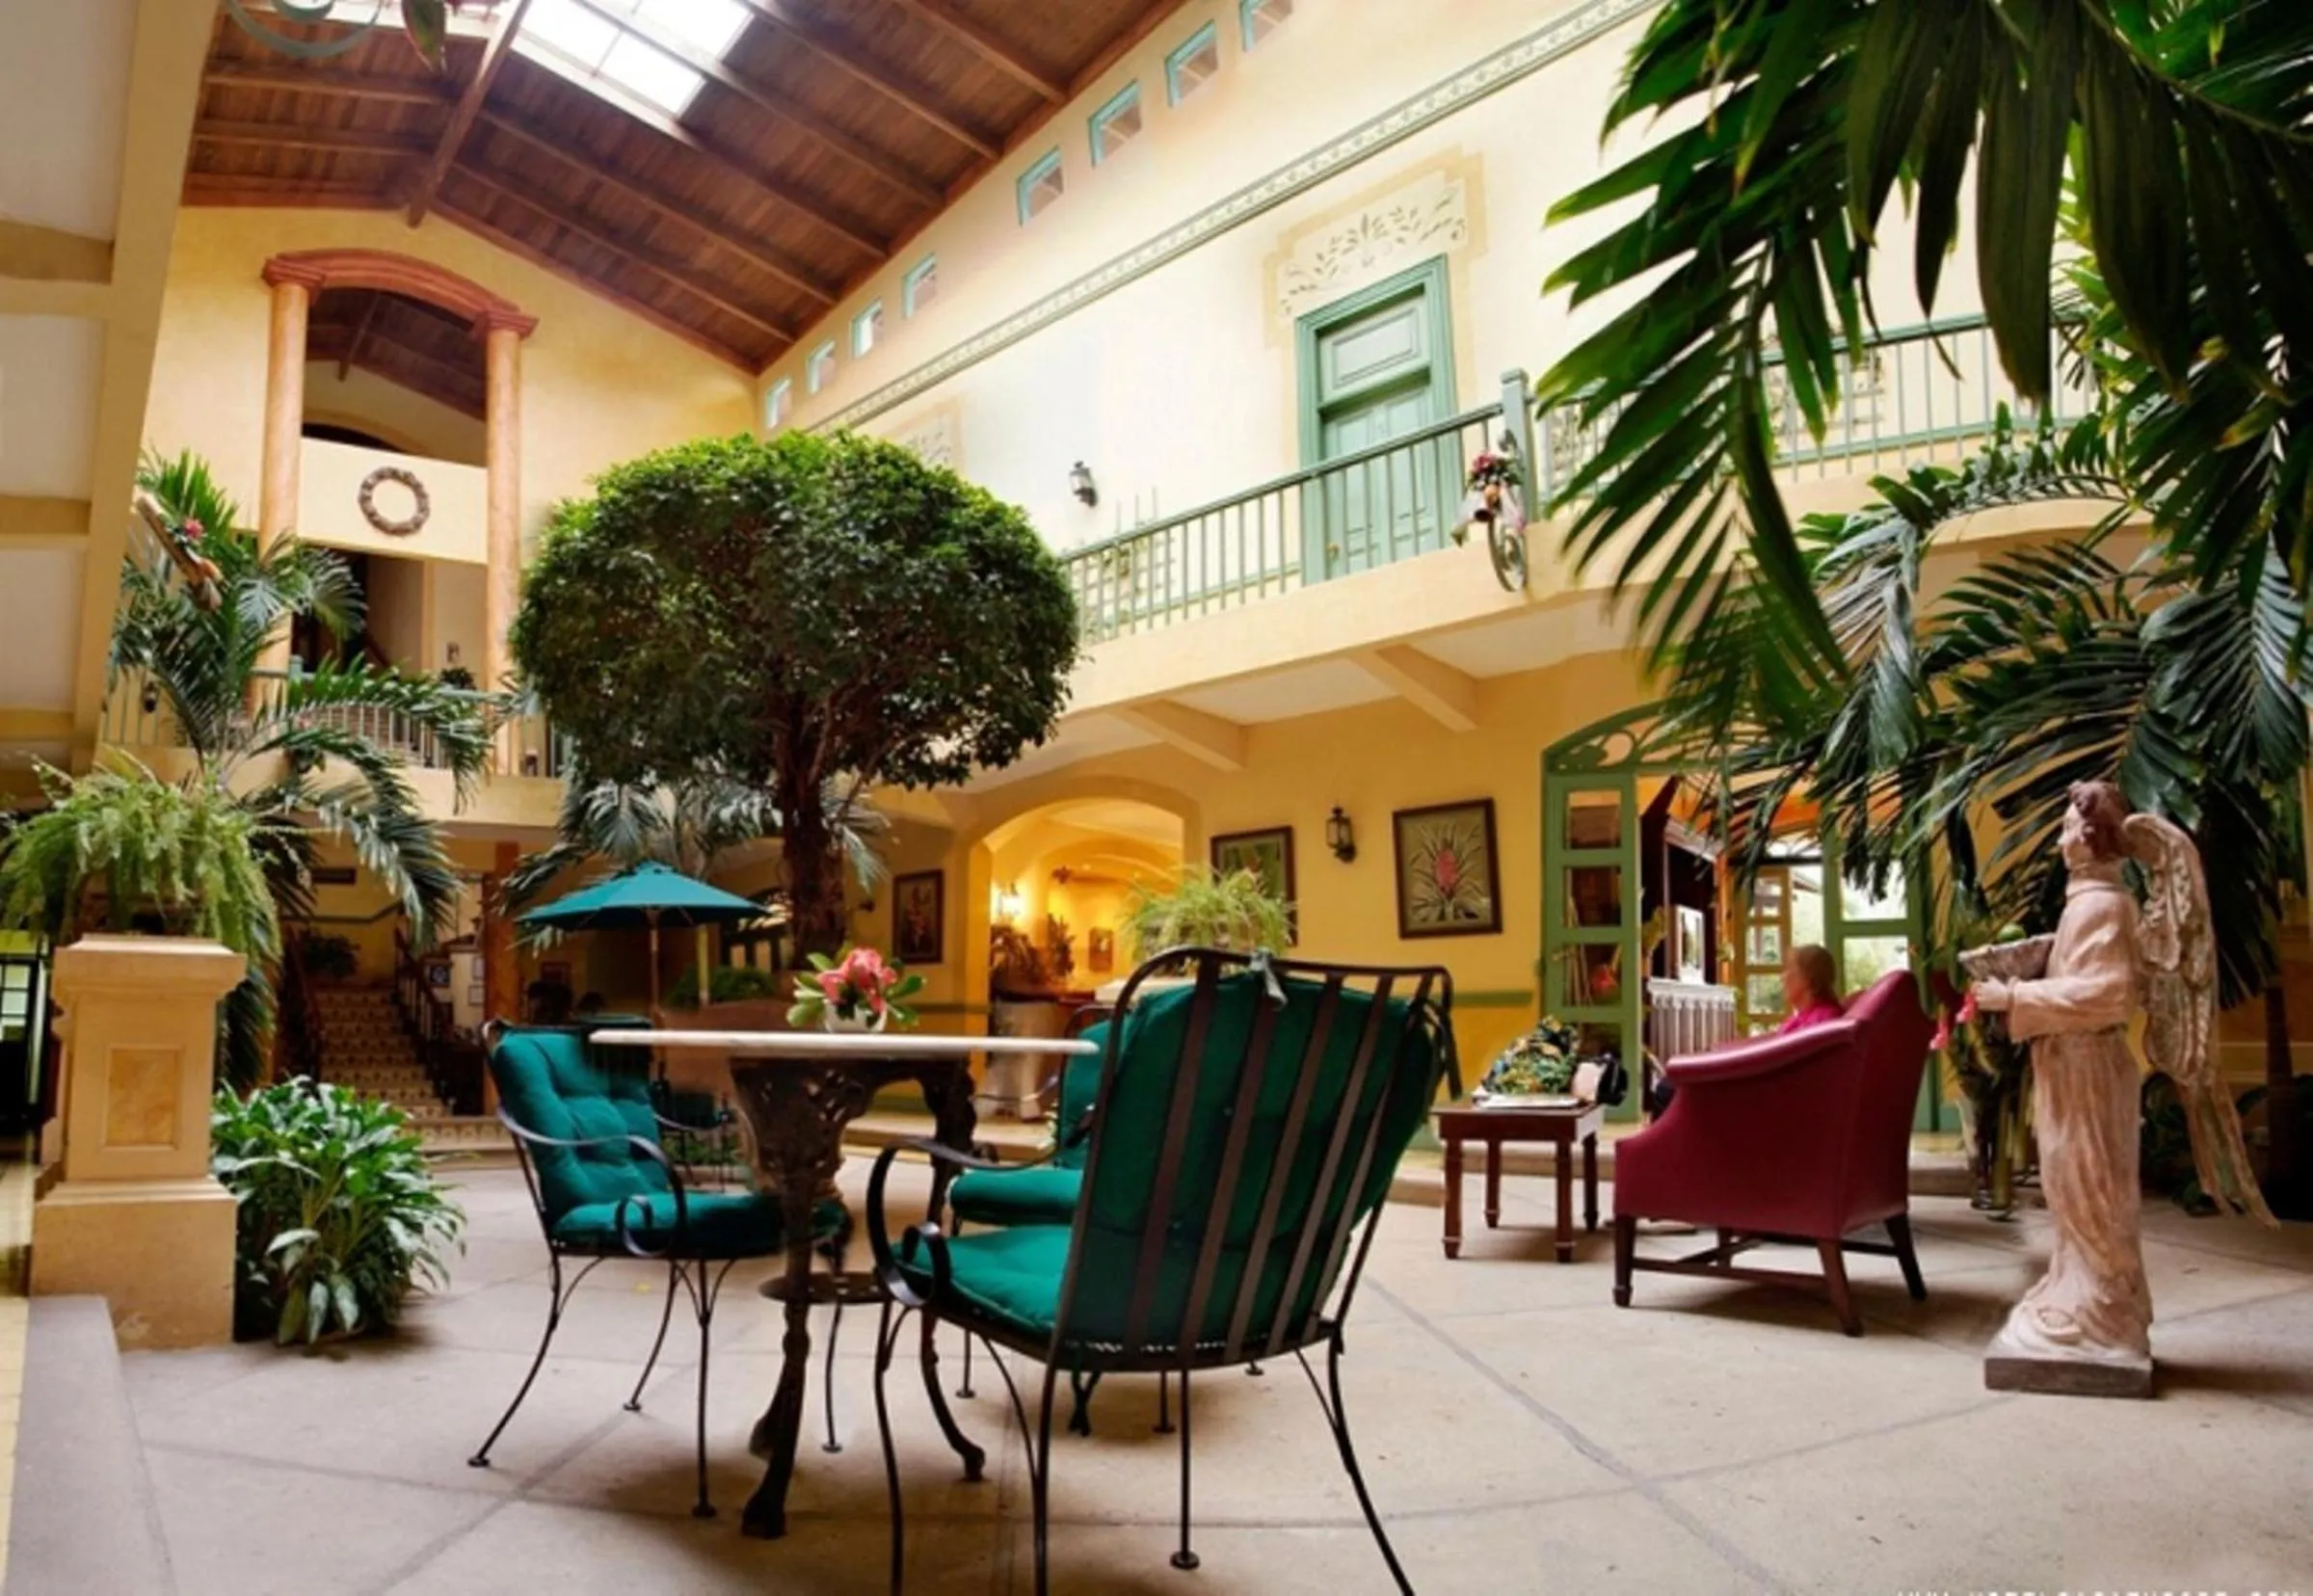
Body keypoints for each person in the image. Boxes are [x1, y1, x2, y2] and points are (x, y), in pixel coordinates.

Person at [1776, 944, 1845, 1034]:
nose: (1783, 977)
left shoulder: (1825, 1019)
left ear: (1807, 978)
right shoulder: (1796, 1020)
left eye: (1790, 969)